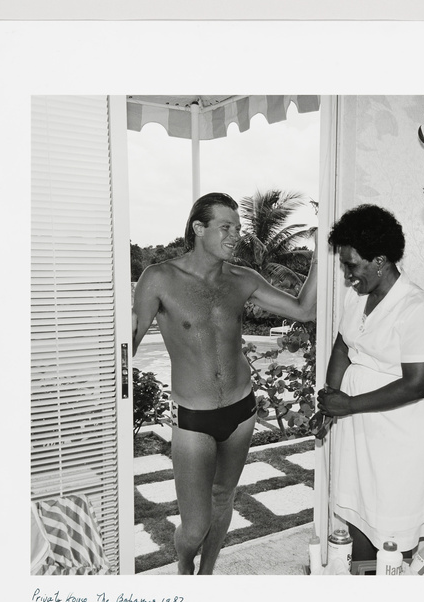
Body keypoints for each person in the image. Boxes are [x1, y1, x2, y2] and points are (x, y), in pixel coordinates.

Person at [132, 192, 317, 574]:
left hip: (241, 409)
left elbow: (304, 309)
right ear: (199, 229)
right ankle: (185, 562)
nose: (236, 236)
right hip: (194, 417)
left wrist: (320, 252)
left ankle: (206, 573)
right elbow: (127, 345)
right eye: (226, 227)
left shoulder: (243, 279)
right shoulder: (160, 278)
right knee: (195, 524)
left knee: (224, 497)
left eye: (239, 228)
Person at [316, 204, 424, 562]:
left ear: (380, 260)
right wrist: (331, 397)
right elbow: (343, 345)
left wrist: (350, 404)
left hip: (400, 433)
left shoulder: (417, 309)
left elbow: (418, 385)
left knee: (390, 528)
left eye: (352, 265)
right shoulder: (356, 297)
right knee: (358, 512)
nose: (347, 275)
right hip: (359, 427)